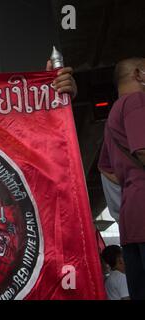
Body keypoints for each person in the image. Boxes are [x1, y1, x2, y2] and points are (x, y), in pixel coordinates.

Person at [98, 57, 145, 300]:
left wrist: (131, 180)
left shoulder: (112, 118)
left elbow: (105, 168)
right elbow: (142, 149)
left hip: (131, 217)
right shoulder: (137, 101)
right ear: (139, 74)